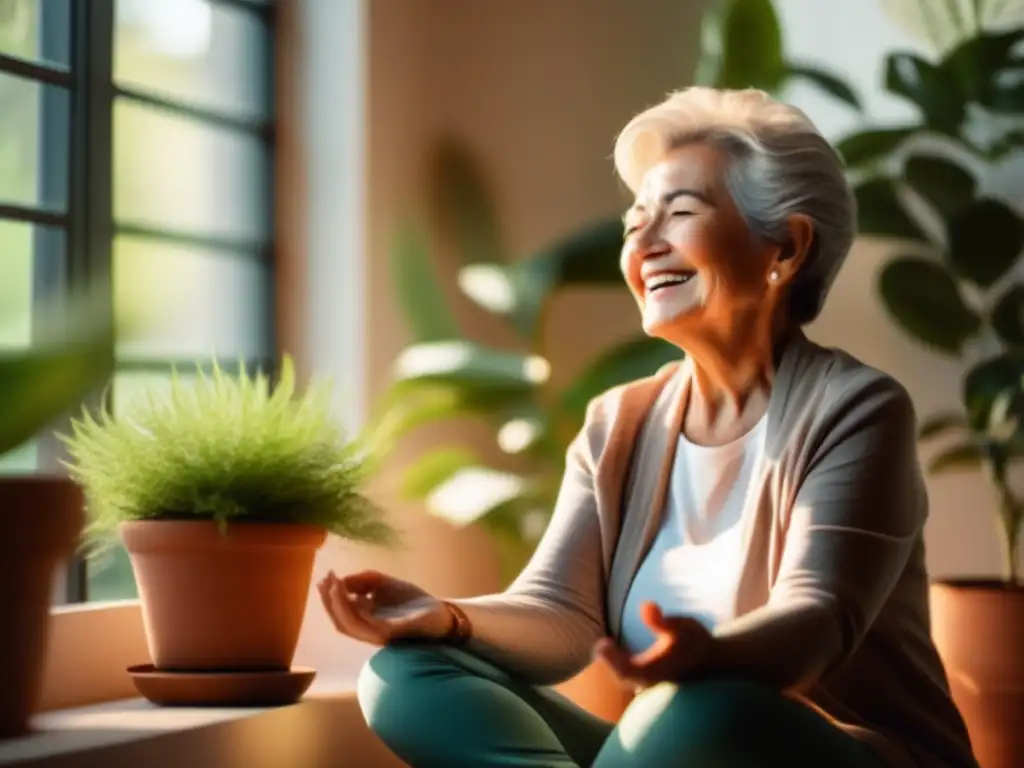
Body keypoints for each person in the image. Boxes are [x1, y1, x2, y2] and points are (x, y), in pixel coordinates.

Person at [318, 87, 978, 768]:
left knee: (696, 707)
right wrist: (447, 618)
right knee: (408, 675)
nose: (646, 245)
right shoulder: (619, 422)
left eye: (681, 213)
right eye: (637, 224)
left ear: (785, 246)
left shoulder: (858, 408)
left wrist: (713, 657)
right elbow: (559, 616)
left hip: (841, 751)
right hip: (676, 745)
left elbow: (820, 620)